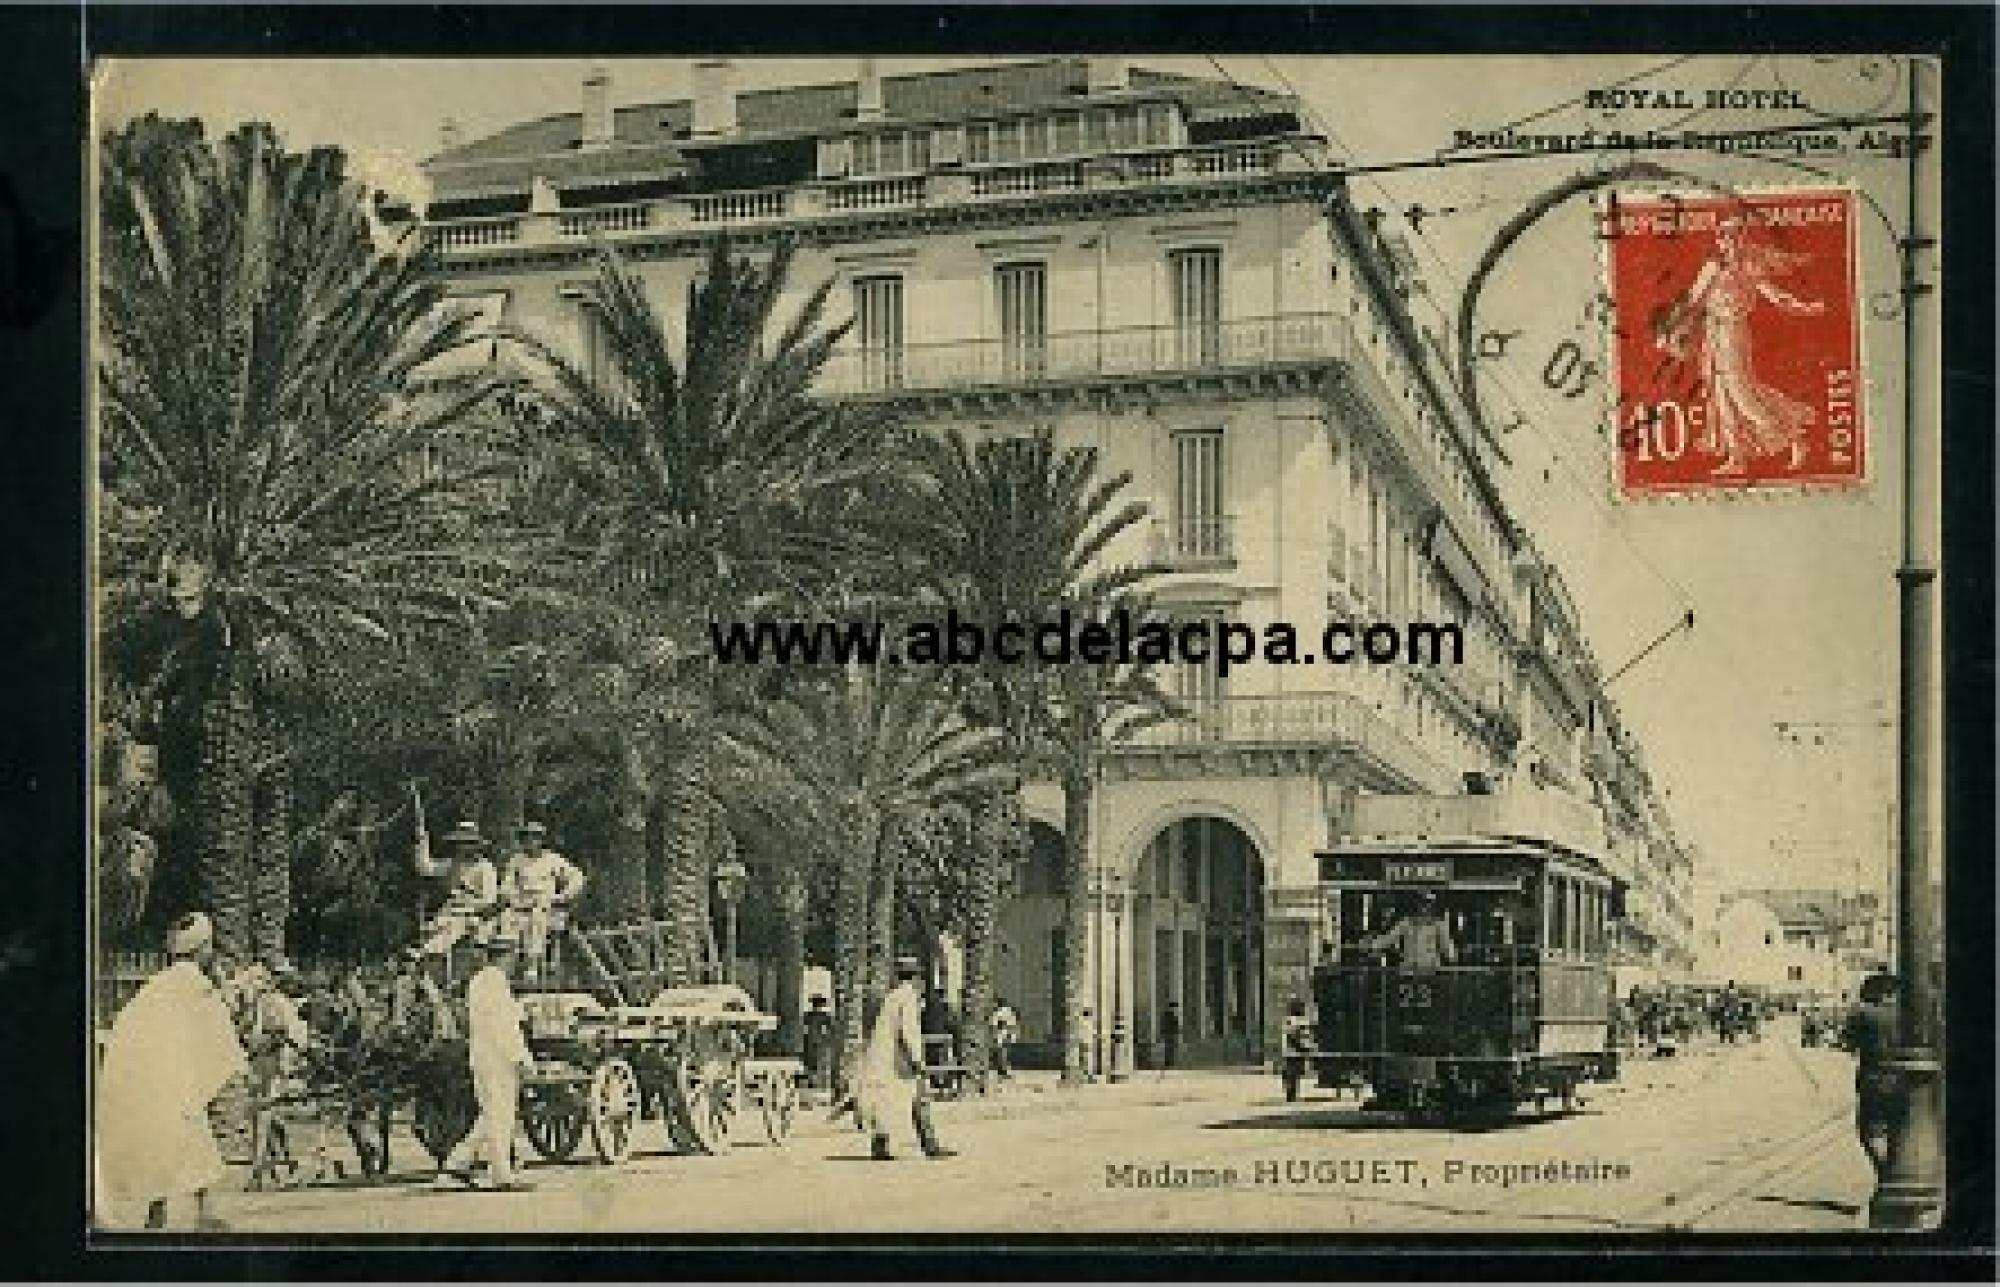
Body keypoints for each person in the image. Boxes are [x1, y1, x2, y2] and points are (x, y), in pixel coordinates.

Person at [95, 912, 250, 1230]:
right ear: (200, 949)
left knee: (165, 1144)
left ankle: (158, 1210)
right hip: (176, 1081)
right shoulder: (195, 982)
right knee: (196, 1143)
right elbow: (218, 1027)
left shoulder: (159, 983)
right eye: (209, 946)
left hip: (155, 1078)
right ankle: (205, 1213)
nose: (211, 952)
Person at [1655, 213, 1826, 475]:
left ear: (1742, 240)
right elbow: (1692, 302)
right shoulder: (1711, 268)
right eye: (1724, 238)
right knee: (1720, 395)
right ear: (1719, 241)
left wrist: (1805, 308)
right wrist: (1670, 331)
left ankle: (1793, 438)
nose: (1729, 243)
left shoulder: (1748, 268)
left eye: (1734, 238)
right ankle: (1737, 457)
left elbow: (1776, 296)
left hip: (1733, 334)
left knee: (1741, 393)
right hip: (1713, 334)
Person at [435, 933, 536, 1192]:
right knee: (500, 1115)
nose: (515, 963)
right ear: (506, 957)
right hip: (498, 1058)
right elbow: (504, 1026)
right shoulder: (497, 983)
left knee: (490, 1114)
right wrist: (521, 1058)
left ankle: (456, 1165)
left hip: (482, 1055)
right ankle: (501, 1174)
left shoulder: (478, 981)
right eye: (513, 957)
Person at [857, 956, 953, 1161]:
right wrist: (917, 1061)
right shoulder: (908, 998)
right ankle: (929, 1145)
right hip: (899, 1060)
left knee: (886, 1102)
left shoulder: (892, 997)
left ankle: (881, 1145)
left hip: (885, 1058)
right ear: (916, 978)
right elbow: (907, 1031)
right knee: (918, 1099)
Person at [499, 821, 585, 982]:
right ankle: (509, 965)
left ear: (542, 840)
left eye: (535, 838)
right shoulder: (516, 860)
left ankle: (532, 965)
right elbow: (507, 884)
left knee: (537, 919)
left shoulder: (553, 860)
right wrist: (513, 897)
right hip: (522, 904)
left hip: (547, 906)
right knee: (506, 918)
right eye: (528, 837)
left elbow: (576, 877)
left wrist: (563, 896)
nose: (531, 841)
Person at [1843, 972, 1904, 1181]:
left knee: (1867, 1132)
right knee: (1896, 1132)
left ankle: (1886, 1176)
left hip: (1874, 1080)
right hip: (1903, 1081)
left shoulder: (1863, 1013)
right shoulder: (1906, 1013)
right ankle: (1894, 1176)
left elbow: (1849, 1044)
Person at [420, 821, 500, 959]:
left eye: (468, 843)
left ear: (476, 845)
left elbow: (489, 900)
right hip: (450, 912)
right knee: (432, 929)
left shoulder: (486, 868)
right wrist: (422, 843)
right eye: (460, 843)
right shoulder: (453, 864)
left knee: (454, 930)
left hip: (475, 915)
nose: (463, 847)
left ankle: (429, 954)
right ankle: (425, 958)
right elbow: (426, 868)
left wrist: (466, 906)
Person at [1362, 892, 1458, 968]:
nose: (1425, 908)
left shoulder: (1438, 925)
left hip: (1430, 970)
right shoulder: (1406, 923)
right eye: (1422, 904)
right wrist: (1371, 945)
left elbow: (1447, 947)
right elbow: (1388, 939)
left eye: (1428, 904)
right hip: (1409, 970)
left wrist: (1452, 956)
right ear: (1417, 905)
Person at [1280, 996, 1316, 1103]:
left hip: (1294, 1052)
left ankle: (1292, 1093)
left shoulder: (1297, 1020)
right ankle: (1291, 1093)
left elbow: (1303, 1034)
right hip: (1293, 1051)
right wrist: (1304, 1046)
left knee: (1294, 1073)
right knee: (1293, 1073)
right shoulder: (1292, 1020)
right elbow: (1294, 1035)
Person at [801, 995, 836, 1093]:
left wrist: (825, 1037)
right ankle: (812, 1080)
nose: (818, 1006)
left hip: (814, 1040)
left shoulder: (820, 1016)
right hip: (812, 1040)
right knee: (811, 1060)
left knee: (815, 1060)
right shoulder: (811, 1015)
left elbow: (830, 1028)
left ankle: (814, 1081)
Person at [989, 996, 1020, 1081]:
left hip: (1001, 1035)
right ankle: (1003, 1071)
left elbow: (994, 1024)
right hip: (1007, 1034)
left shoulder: (998, 1012)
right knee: (1004, 1054)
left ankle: (1003, 1071)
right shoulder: (1008, 1011)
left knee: (1002, 1055)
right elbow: (1013, 1022)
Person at [1160, 1000, 1183, 1071]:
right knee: (1169, 1047)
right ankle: (1169, 1061)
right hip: (1169, 1034)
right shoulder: (1170, 1015)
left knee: (1169, 1047)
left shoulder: (1167, 1015)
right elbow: (1173, 1024)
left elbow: (1164, 1024)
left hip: (1169, 1034)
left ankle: (1169, 1061)